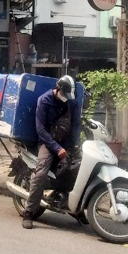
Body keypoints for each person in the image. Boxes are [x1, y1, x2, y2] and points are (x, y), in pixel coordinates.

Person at [21, 74, 82, 229]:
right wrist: (56, 147)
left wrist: (76, 145)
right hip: (47, 143)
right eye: (65, 94)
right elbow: (40, 130)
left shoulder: (72, 102)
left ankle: (73, 207)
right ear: (58, 89)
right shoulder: (44, 100)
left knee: (78, 170)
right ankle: (29, 212)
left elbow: (76, 125)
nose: (66, 98)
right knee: (41, 173)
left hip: (65, 143)